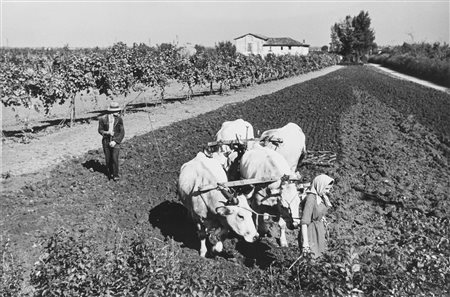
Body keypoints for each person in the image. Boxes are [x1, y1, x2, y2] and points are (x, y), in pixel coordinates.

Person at [300, 174, 334, 258]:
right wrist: (305, 243)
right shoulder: (311, 198)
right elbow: (304, 221)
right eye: (326, 188)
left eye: (329, 189)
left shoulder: (321, 197)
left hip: (319, 230)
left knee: (320, 258)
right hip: (311, 232)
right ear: (319, 185)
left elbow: (317, 211)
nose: (328, 191)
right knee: (311, 258)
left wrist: (321, 217)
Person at [98, 101, 125, 181]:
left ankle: (116, 174)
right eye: (116, 111)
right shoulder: (102, 119)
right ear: (111, 112)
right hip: (106, 141)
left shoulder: (119, 119)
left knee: (114, 158)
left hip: (115, 141)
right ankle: (110, 173)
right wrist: (107, 133)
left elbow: (122, 132)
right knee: (108, 159)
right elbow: (100, 130)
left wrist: (115, 141)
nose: (118, 112)